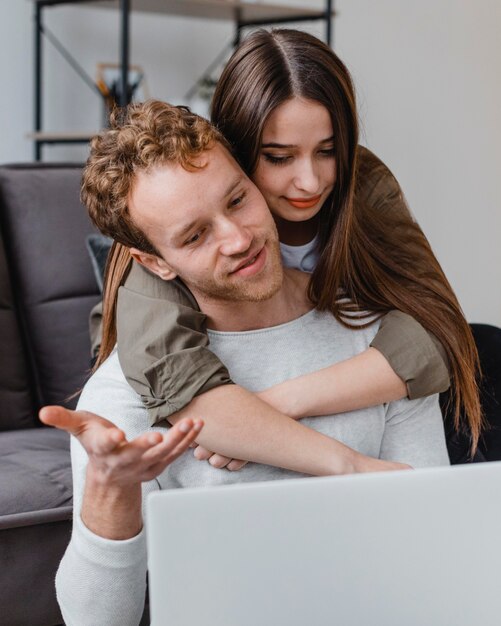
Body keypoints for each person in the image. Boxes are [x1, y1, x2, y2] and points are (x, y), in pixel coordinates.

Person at [44, 101, 449, 625]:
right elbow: (97, 621)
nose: (238, 239)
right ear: (154, 262)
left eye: (237, 200)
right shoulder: (124, 395)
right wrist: (109, 491)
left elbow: (434, 541)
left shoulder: (374, 339)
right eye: (195, 236)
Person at [91, 29, 481, 467]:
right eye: (279, 157)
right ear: (233, 152)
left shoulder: (363, 183)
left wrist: (274, 405)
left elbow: (439, 330)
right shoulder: (167, 243)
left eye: (328, 150)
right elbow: (168, 373)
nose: (310, 182)